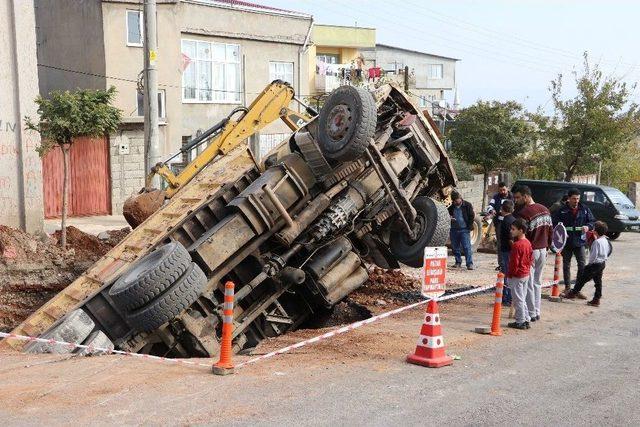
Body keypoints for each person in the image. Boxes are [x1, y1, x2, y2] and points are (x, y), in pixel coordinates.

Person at [513, 185, 552, 322]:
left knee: (529, 283)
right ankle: (537, 310)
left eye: (518, 197)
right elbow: (550, 231)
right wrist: (547, 247)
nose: (516, 200)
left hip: (532, 250)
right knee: (537, 282)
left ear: (526, 196)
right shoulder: (545, 210)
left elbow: (522, 234)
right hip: (543, 249)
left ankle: (531, 313)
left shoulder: (525, 213)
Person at [552, 188, 596, 295]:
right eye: (574, 199)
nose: (576, 201)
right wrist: (561, 233)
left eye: (578, 198)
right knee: (566, 265)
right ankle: (567, 288)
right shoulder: (562, 210)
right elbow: (555, 224)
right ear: (568, 199)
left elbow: (592, 222)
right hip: (566, 242)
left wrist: (588, 226)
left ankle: (577, 290)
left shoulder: (584, 209)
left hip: (580, 242)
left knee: (582, 265)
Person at [564, 221, 609, 307]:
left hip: (595, 264)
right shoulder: (605, 240)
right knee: (598, 281)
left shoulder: (597, 242)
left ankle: (573, 293)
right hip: (602, 263)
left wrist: (589, 264)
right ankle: (597, 298)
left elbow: (593, 255)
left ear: (595, 231)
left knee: (582, 279)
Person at [506, 218, 533, 330]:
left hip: (517, 275)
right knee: (522, 298)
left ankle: (520, 321)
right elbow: (531, 258)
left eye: (513, 229)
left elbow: (514, 263)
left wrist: (510, 274)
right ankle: (526, 319)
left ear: (521, 230)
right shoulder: (528, 243)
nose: (511, 231)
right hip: (525, 273)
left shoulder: (517, 245)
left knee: (518, 299)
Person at [486, 182, 514, 271]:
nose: (502, 191)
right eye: (500, 190)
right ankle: (501, 264)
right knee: (500, 244)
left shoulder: (512, 198)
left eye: (504, 190)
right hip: (499, 223)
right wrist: (492, 210)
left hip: (509, 223)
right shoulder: (496, 197)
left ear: (507, 189)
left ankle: (510, 263)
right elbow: (490, 206)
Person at [448, 190, 475, 270]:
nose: (456, 202)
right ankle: (458, 262)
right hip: (454, 229)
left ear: (460, 198)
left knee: (466, 247)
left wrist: (469, 227)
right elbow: (447, 216)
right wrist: (450, 218)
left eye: (457, 200)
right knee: (455, 247)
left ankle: (469, 263)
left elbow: (471, 216)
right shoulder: (451, 207)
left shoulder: (467, 205)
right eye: (454, 201)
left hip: (464, 229)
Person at [498, 200, 516, 306]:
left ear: (502, 209)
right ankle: (508, 297)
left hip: (507, 250)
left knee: (506, 274)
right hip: (509, 250)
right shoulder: (513, 220)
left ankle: (506, 298)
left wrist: (513, 249)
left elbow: (510, 239)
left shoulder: (505, 221)